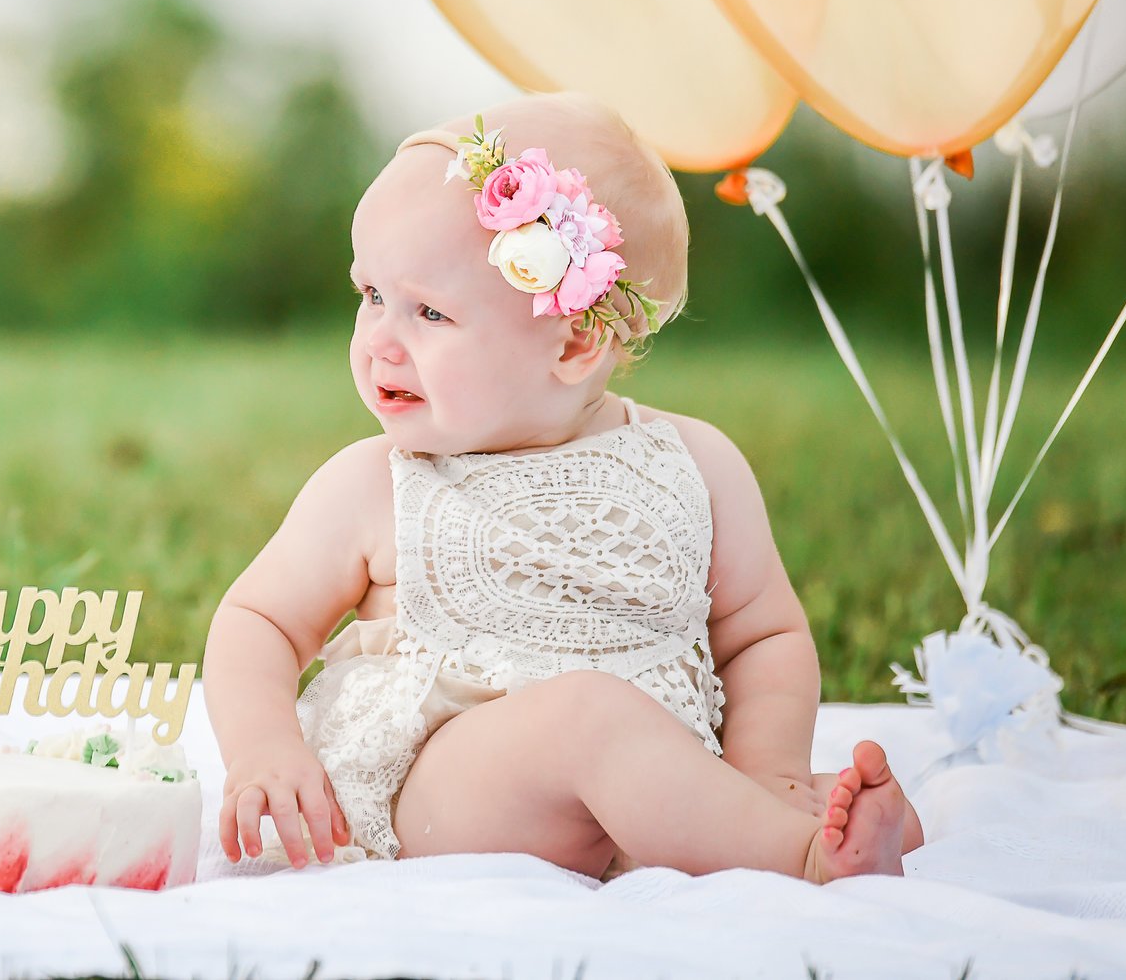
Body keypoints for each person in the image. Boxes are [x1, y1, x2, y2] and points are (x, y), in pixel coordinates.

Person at [201, 92, 922, 880]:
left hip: (644, 785)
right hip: (441, 794)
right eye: (370, 295)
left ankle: (774, 824)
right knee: (588, 719)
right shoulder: (377, 482)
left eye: (429, 313)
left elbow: (763, 638)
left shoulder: (696, 465)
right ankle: (805, 860)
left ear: (576, 341)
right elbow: (257, 620)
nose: (380, 340)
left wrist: (768, 772)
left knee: (861, 804)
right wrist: (266, 749)